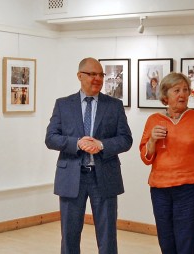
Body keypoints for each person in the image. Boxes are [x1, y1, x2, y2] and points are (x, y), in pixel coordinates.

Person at [45, 57, 133, 254]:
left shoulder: (114, 105)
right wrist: (77, 143)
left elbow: (126, 139)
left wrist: (101, 145)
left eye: (101, 74)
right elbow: (51, 138)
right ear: (80, 76)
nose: (98, 79)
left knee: (107, 236)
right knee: (69, 235)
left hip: (104, 177)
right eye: (92, 74)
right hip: (71, 178)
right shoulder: (63, 104)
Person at [139, 72, 194, 254]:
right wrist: (152, 141)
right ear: (165, 96)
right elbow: (145, 157)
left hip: (190, 190)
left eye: (185, 90)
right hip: (160, 190)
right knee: (166, 241)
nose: (182, 94)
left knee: (187, 242)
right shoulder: (154, 120)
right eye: (176, 90)